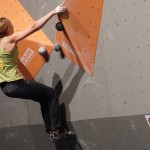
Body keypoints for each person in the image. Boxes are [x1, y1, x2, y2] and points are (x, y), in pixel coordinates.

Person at [0, 5, 67, 143]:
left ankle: (52, 131)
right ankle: (56, 130)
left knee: (43, 99)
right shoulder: (9, 40)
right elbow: (34, 26)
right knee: (52, 94)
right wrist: (53, 12)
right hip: (15, 84)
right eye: (11, 25)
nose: (13, 27)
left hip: (5, 89)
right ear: (7, 29)